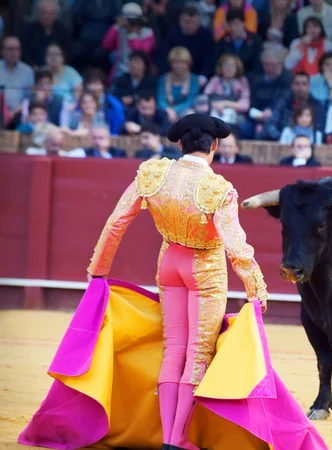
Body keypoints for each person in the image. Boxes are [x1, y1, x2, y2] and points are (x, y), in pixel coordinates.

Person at [86, 113, 269, 450]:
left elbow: (115, 223)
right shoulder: (219, 189)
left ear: (181, 144)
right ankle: (177, 439)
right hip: (204, 269)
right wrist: (255, 288)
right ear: (214, 146)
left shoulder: (153, 174)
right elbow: (237, 246)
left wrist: (98, 270)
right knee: (197, 354)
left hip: (169, 264)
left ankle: (168, 437)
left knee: (173, 351)